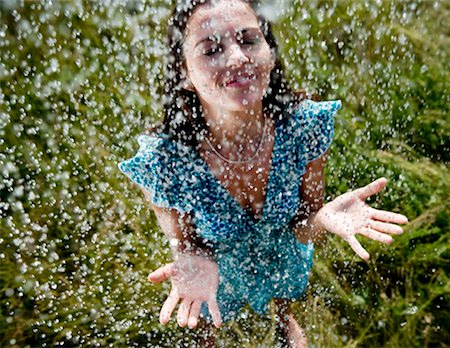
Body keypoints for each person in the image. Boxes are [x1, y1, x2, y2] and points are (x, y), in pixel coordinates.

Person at [118, 0, 409, 346]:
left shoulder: (303, 126)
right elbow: (185, 243)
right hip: (217, 270)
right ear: (183, 71)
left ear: (268, 51)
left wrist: (324, 218)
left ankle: (284, 321)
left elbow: (303, 228)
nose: (238, 58)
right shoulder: (165, 161)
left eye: (249, 40)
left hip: (282, 253)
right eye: (211, 49)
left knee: (282, 292)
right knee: (205, 312)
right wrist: (190, 258)